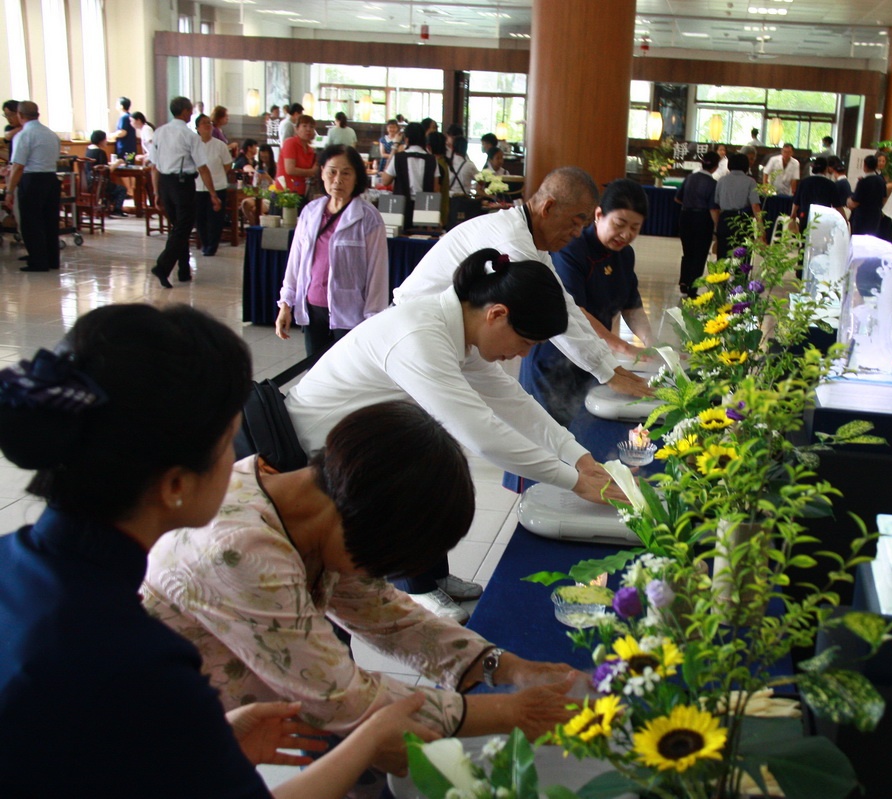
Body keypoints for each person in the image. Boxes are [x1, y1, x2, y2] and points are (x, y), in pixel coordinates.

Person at [0, 303, 439, 799]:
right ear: (174, 484)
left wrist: (207, 748)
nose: (243, 463)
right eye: (229, 444)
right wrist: (368, 741)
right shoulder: (137, 660)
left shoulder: (19, 566)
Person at [143, 401, 579, 795]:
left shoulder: (316, 500)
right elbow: (341, 698)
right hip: (150, 735)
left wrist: (506, 667)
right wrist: (515, 712)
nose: (377, 576)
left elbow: (387, 616)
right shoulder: (240, 553)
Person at [288, 249, 617, 621]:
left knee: (425, 456)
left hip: (365, 444)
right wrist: (574, 482)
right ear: (497, 315)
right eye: (526, 343)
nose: (520, 356)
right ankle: (416, 590)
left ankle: (433, 578)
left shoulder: (455, 326)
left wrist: (578, 456)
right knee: (429, 462)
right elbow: (482, 434)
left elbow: (512, 402)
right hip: (312, 452)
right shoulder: (420, 336)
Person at [395, 166, 652, 401]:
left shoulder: (532, 243)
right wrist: (606, 372)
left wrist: (610, 367)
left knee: (505, 408)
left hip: (450, 338)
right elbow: (550, 311)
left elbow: (566, 306)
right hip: (415, 333)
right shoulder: (512, 239)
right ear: (548, 208)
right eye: (575, 222)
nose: (576, 233)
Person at [520, 179, 654, 427]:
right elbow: (576, 311)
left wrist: (653, 344)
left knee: (577, 432)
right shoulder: (573, 248)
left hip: (592, 358)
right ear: (599, 215)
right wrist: (623, 347)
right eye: (619, 224)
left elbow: (632, 306)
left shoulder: (625, 254)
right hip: (555, 359)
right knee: (541, 436)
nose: (626, 235)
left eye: (635, 228)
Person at [276, 145, 388, 361]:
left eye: (346, 173)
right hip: (313, 308)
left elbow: (378, 273)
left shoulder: (368, 218)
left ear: (357, 177)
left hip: (351, 314)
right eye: (332, 171)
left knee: (347, 376)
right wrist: (285, 304)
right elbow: (295, 263)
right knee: (315, 375)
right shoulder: (310, 212)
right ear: (322, 173)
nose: (338, 179)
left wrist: (372, 320)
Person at [145, 96, 223, 287]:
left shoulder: (159, 132)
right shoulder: (190, 136)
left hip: (165, 183)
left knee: (177, 227)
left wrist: (156, 193)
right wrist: (213, 193)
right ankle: (163, 266)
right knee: (183, 228)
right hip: (182, 185)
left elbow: (154, 166)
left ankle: (184, 270)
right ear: (187, 112)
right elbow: (203, 168)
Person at [3, 102, 64, 273]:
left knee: (32, 222)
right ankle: (52, 259)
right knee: (50, 221)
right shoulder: (51, 134)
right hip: (51, 179)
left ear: (20, 115)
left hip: (32, 181)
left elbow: (18, 166)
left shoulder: (24, 135)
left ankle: (38, 261)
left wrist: (9, 190)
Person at [675, 150, 720, 296]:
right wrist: (717, 227)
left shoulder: (690, 178)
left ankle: (683, 281)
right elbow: (713, 208)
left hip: (685, 216)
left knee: (688, 251)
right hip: (702, 219)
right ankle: (693, 287)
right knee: (700, 254)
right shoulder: (713, 183)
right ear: (716, 166)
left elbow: (677, 198)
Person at [193, 114, 234, 257]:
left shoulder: (220, 145)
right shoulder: (194, 144)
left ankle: (212, 246)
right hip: (198, 186)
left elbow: (228, 164)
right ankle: (204, 243)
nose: (208, 125)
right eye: (204, 123)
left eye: (209, 123)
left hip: (218, 186)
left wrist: (218, 174)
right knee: (200, 217)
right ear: (197, 128)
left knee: (215, 218)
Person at [713, 151, 762, 259]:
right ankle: (741, 275)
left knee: (723, 256)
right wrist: (761, 229)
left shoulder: (721, 181)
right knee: (743, 256)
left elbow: (716, 205)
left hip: (724, 219)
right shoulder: (750, 181)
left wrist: (717, 227)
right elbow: (755, 206)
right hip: (743, 220)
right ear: (746, 165)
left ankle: (722, 275)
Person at [380, 121, 437, 200]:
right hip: (424, 207)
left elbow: (385, 181)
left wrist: (395, 145)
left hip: (401, 207)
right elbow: (436, 188)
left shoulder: (398, 158)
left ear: (406, 139)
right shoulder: (432, 159)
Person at [83, 130, 129, 217]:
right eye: (105, 139)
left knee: (113, 187)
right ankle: (116, 209)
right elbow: (106, 171)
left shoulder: (88, 149)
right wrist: (117, 163)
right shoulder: (100, 152)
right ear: (101, 141)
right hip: (99, 184)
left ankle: (106, 207)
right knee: (122, 189)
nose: (106, 141)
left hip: (88, 182)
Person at [789, 156, 840, 232]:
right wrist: (844, 219)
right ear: (826, 169)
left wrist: (793, 214)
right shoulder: (831, 185)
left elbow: (796, 201)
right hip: (823, 218)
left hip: (805, 216)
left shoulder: (804, 182)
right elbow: (837, 205)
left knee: (805, 241)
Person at [847, 154, 889, 242]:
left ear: (865, 165)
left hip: (862, 216)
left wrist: (848, 201)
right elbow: (884, 198)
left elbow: (855, 202)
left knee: (859, 240)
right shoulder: (881, 181)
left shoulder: (863, 182)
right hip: (875, 216)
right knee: (871, 239)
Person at [278, 114, 319, 194]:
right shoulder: (290, 143)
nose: (308, 129)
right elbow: (290, 169)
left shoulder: (310, 150)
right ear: (296, 129)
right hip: (284, 194)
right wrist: (311, 171)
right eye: (304, 126)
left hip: (301, 192)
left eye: (311, 127)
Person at [111, 96, 137, 161]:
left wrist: (111, 135)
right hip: (131, 148)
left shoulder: (124, 118)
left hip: (124, 148)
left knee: (125, 167)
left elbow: (123, 132)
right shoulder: (129, 116)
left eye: (117, 104)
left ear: (121, 106)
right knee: (130, 166)